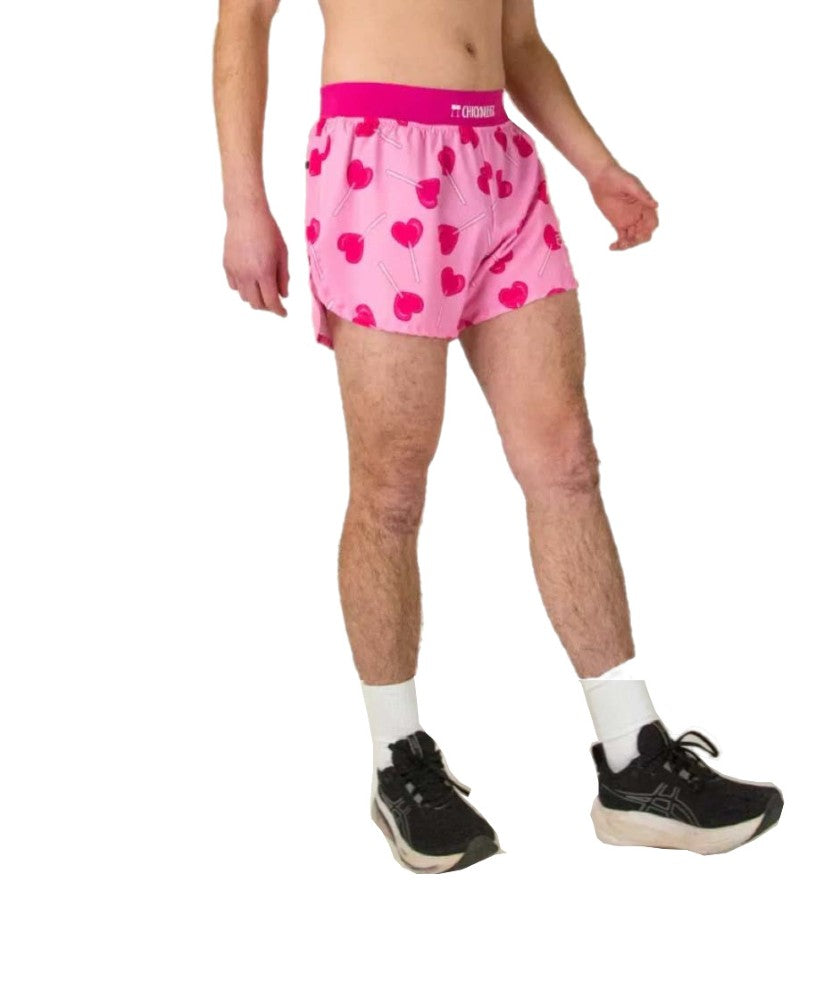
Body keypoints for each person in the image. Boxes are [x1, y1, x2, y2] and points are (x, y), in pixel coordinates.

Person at [213, 0, 782, 873]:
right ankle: (398, 763)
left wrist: (598, 166)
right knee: (392, 488)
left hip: (497, 165)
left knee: (567, 464)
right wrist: (244, 204)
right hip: (379, 163)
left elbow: (518, 43)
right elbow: (244, 21)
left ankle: (632, 763)